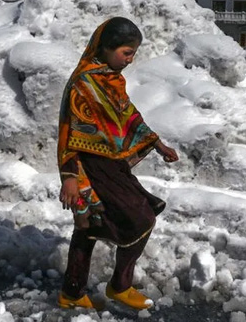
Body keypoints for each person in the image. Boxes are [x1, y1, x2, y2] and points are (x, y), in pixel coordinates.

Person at [56, 17, 179, 311]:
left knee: (89, 227)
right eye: (126, 52)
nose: (130, 59)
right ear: (106, 48)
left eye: (133, 53)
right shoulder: (83, 84)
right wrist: (70, 176)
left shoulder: (110, 80)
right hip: (91, 167)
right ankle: (119, 286)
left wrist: (156, 142)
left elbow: (127, 114)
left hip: (112, 165)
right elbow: (70, 131)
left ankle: (71, 294)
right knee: (142, 218)